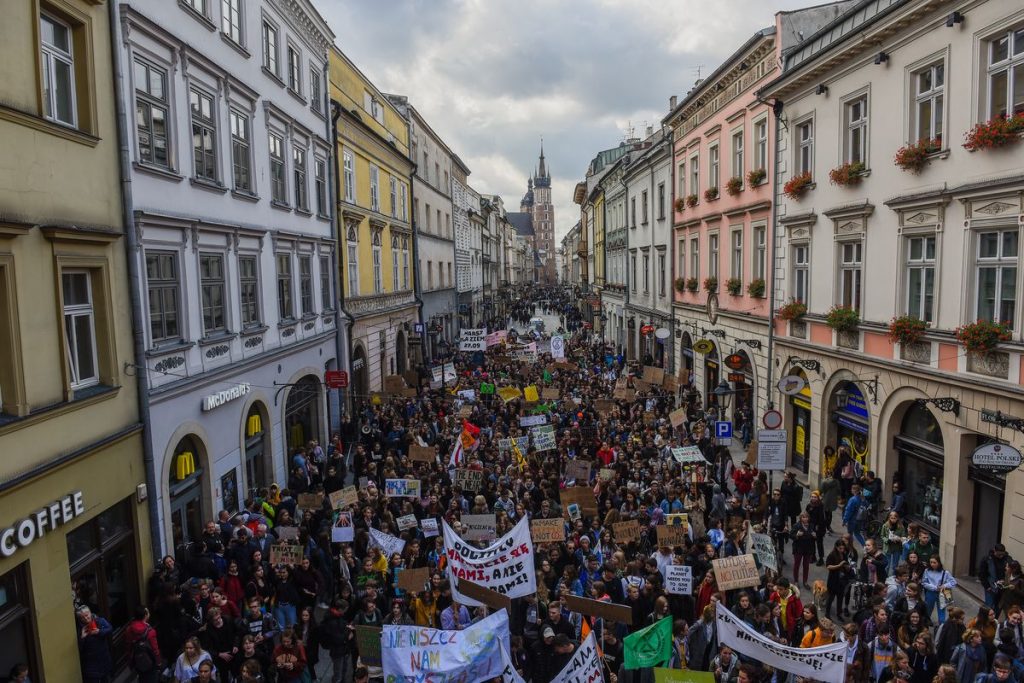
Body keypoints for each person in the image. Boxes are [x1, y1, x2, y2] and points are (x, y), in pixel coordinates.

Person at [124, 606, 162, 683]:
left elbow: (128, 647)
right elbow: (155, 649)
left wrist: (130, 661)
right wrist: (158, 662)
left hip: (136, 660)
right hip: (149, 661)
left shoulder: (129, 629)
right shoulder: (150, 631)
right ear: (145, 615)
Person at [77, 606, 114, 683]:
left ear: (90, 613)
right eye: (83, 617)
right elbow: (79, 650)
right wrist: (82, 638)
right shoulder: (80, 629)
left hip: (104, 660)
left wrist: (99, 632)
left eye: (87, 615)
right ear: (80, 619)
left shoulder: (99, 621)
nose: (86, 618)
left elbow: (109, 628)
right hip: (91, 666)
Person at [921, 555, 956, 624]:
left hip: (942, 593)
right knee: (927, 611)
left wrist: (944, 585)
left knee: (941, 612)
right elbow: (924, 582)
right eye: (931, 562)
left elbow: (953, 582)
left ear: (939, 563)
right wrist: (934, 587)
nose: (932, 564)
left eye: (934, 562)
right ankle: (925, 625)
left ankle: (941, 627)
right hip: (930, 593)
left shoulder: (945, 572)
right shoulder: (927, 571)